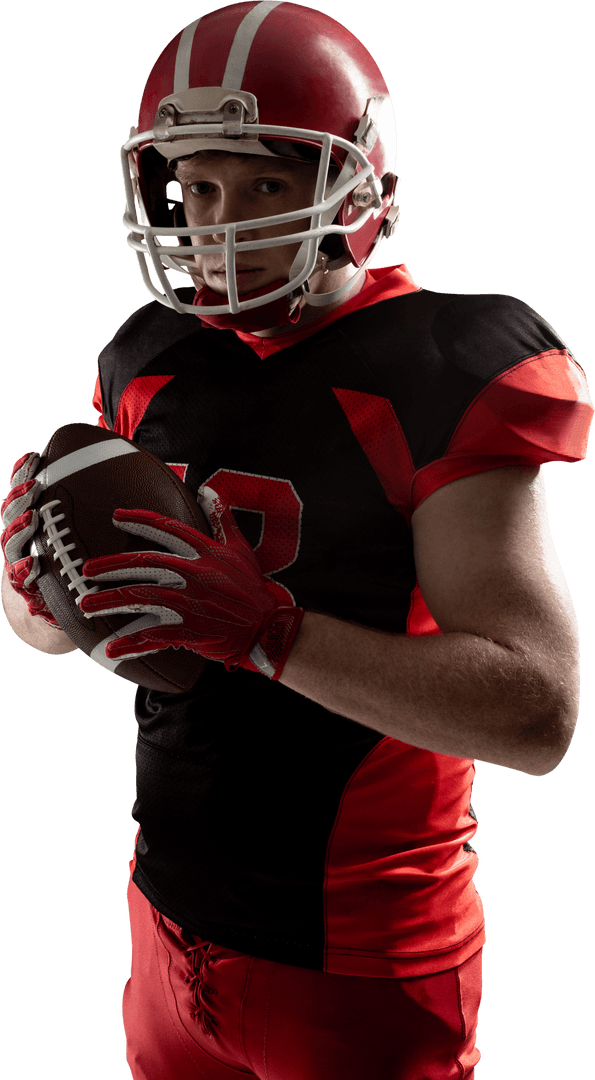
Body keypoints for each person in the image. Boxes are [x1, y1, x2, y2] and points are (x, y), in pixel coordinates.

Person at [1, 2, 592, 1078]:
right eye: (200, 187)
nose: (220, 225)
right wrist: (37, 594)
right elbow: (88, 635)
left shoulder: (444, 363)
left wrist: (276, 635)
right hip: (165, 923)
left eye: (267, 184)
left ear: (360, 189)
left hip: (360, 957)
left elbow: (536, 713)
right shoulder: (147, 355)